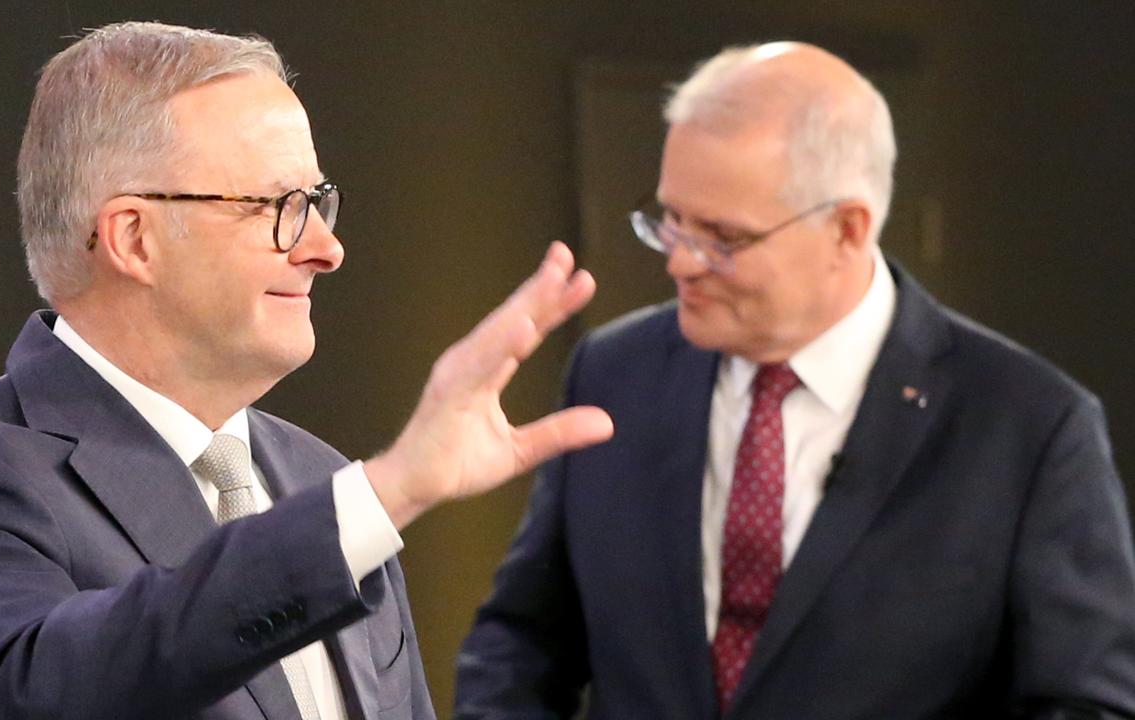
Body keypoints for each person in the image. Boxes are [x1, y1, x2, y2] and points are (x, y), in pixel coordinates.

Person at [0, 22, 613, 720]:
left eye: (318, 202)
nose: (325, 247)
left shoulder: (317, 478)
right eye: (279, 205)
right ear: (134, 238)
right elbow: (27, 692)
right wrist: (391, 489)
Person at [455, 41, 1135, 719]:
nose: (680, 263)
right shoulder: (614, 372)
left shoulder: (1027, 426)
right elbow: (520, 643)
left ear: (846, 229)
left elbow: (1084, 705)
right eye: (671, 220)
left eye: (722, 236)